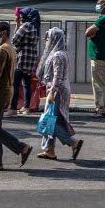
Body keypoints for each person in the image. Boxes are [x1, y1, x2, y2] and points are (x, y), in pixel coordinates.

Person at [0, 21, 33, 170]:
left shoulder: (1, 51)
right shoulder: (11, 49)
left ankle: (22, 147)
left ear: (3, 33)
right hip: (6, 92)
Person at [35, 27, 84, 160]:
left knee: (49, 121)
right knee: (51, 120)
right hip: (55, 90)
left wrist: (52, 92)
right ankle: (50, 150)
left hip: (57, 91)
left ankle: (73, 142)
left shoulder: (58, 55)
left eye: (47, 38)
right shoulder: (58, 53)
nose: (45, 41)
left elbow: (57, 76)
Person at [8, 7, 41, 116]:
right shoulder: (36, 27)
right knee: (27, 84)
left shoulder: (26, 26)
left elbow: (14, 40)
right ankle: (26, 107)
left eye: (23, 15)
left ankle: (13, 108)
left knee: (15, 84)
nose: (21, 17)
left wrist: (17, 26)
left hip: (22, 58)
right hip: (31, 59)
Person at [85, 0, 105, 117]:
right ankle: (100, 107)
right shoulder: (102, 19)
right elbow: (90, 32)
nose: (97, 5)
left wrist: (91, 33)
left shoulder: (104, 19)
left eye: (98, 3)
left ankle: (103, 109)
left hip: (99, 55)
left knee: (100, 83)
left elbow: (88, 32)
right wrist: (92, 33)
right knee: (97, 82)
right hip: (97, 55)